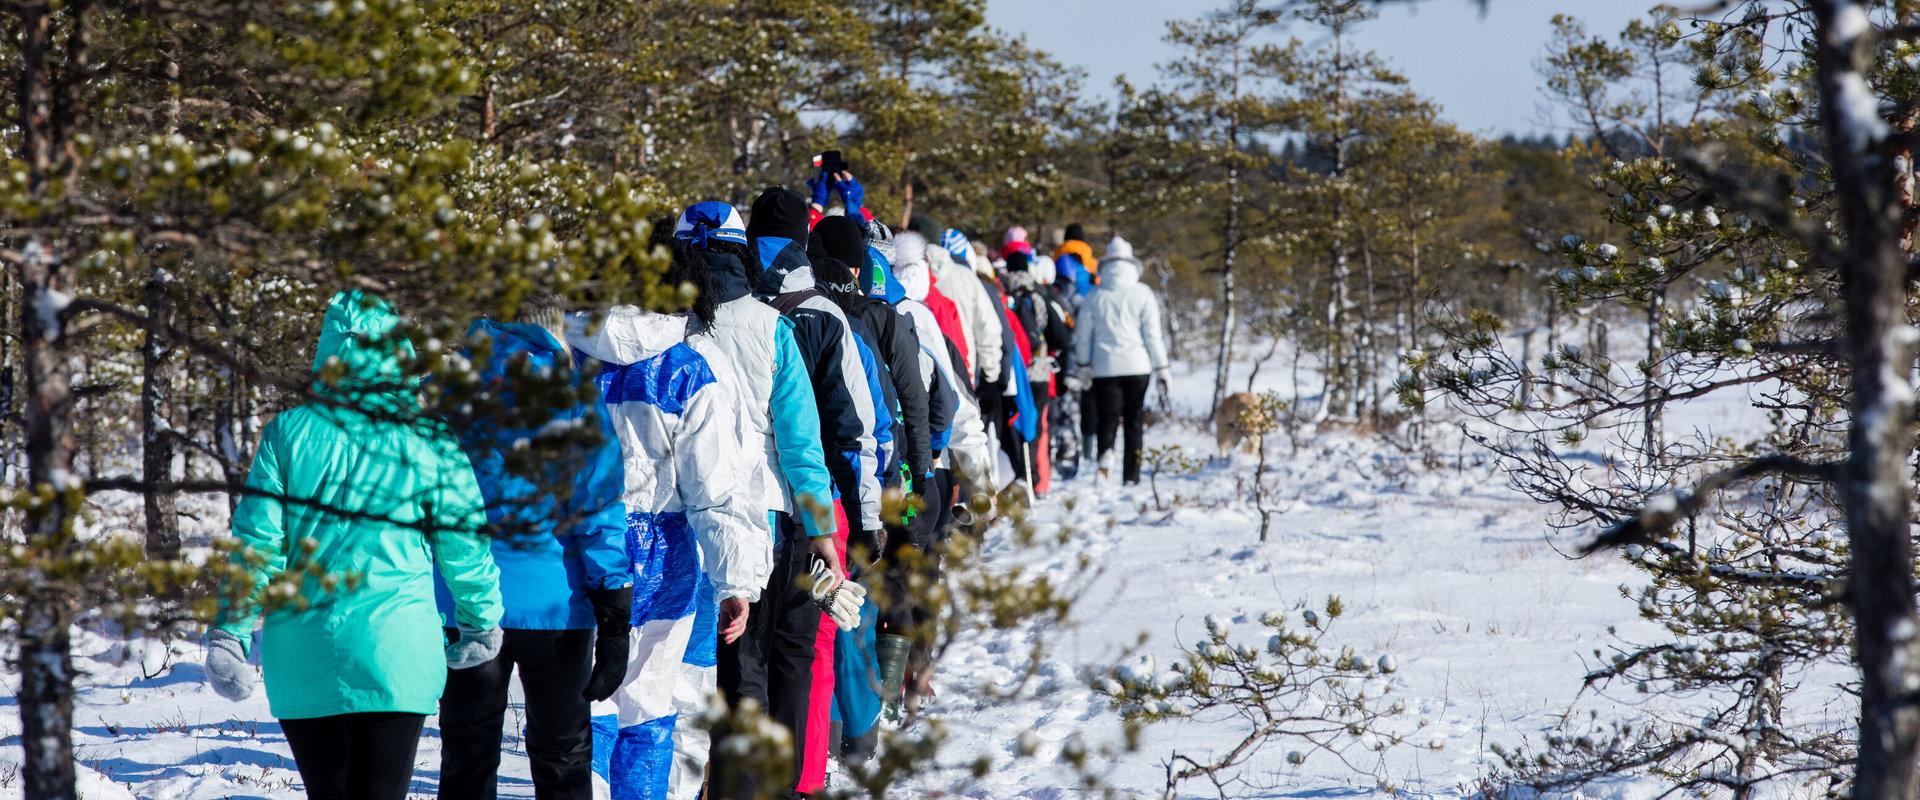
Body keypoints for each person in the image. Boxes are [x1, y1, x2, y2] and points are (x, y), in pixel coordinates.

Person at [204, 290, 504, 800]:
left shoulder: (286, 434)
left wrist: (230, 631)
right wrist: (480, 617)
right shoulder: (428, 436)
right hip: (395, 648)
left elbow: (258, 543)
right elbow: (463, 539)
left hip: (302, 651)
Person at [666, 202, 843, 800]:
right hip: (766, 513)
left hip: (676, 517)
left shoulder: (669, 324)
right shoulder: (773, 328)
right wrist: (822, 529)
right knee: (755, 668)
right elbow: (801, 442)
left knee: (685, 674)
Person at [565, 288, 772, 800]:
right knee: (650, 702)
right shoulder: (688, 367)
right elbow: (715, 490)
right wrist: (734, 581)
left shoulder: (563, 355)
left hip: (578, 550)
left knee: (584, 702)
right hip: (664, 550)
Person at [435, 294, 632, 800]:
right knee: (562, 756)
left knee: (467, 753)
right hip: (558, 604)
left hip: (468, 601)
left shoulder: (451, 393)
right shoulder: (573, 395)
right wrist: (614, 604)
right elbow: (597, 508)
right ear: (554, 331)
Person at [746, 185, 877, 795]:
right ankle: (799, 782)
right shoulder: (825, 315)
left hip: (737, 508)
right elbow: (850, 428)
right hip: (809, 507)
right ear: (804, 238)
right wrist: (852, 517)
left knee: (741, 659)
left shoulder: (730, 305)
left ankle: (736, 781)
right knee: (804, 651)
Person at [888, 231, 994, 717]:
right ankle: (918, 674)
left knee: (891, 582)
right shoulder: (928, 323)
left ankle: (890, 687)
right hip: (931, 470)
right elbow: (959, 409)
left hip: (880, 474)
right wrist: (981, 485)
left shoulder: (866, 318)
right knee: (924, 572)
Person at [1072, 236, 1171, 485]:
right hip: (1138, 367)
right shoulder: (1143, 293)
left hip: (1105, 368)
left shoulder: (1095, 295)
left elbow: (1082, 335)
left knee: (1107, 417)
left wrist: (1083, 365)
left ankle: (1106, 455)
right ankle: (1131, 476)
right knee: (1134, 421)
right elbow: (1152, 336)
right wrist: (1162, 368)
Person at [1004, 251, 1071, 496]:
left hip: (1014, 372)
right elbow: (1062, 337)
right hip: (1040, 372)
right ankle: (1039, 482)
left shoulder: (1006, 298)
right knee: (1039, 426)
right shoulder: (1039, 297)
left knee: (1015, 425)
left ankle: (1022, 476)